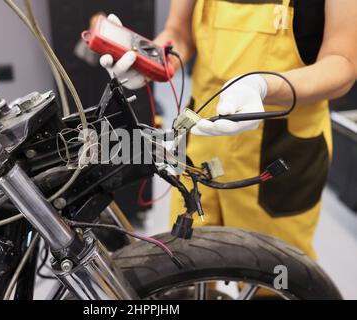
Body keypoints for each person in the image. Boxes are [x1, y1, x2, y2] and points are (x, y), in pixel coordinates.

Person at [100, 0, 357, 258]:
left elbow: (342, 61)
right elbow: (178, 32)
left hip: (280, 153)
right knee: (184, 265)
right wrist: (147, 61)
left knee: (276, 276)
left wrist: (264, 86)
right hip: (201, 144)